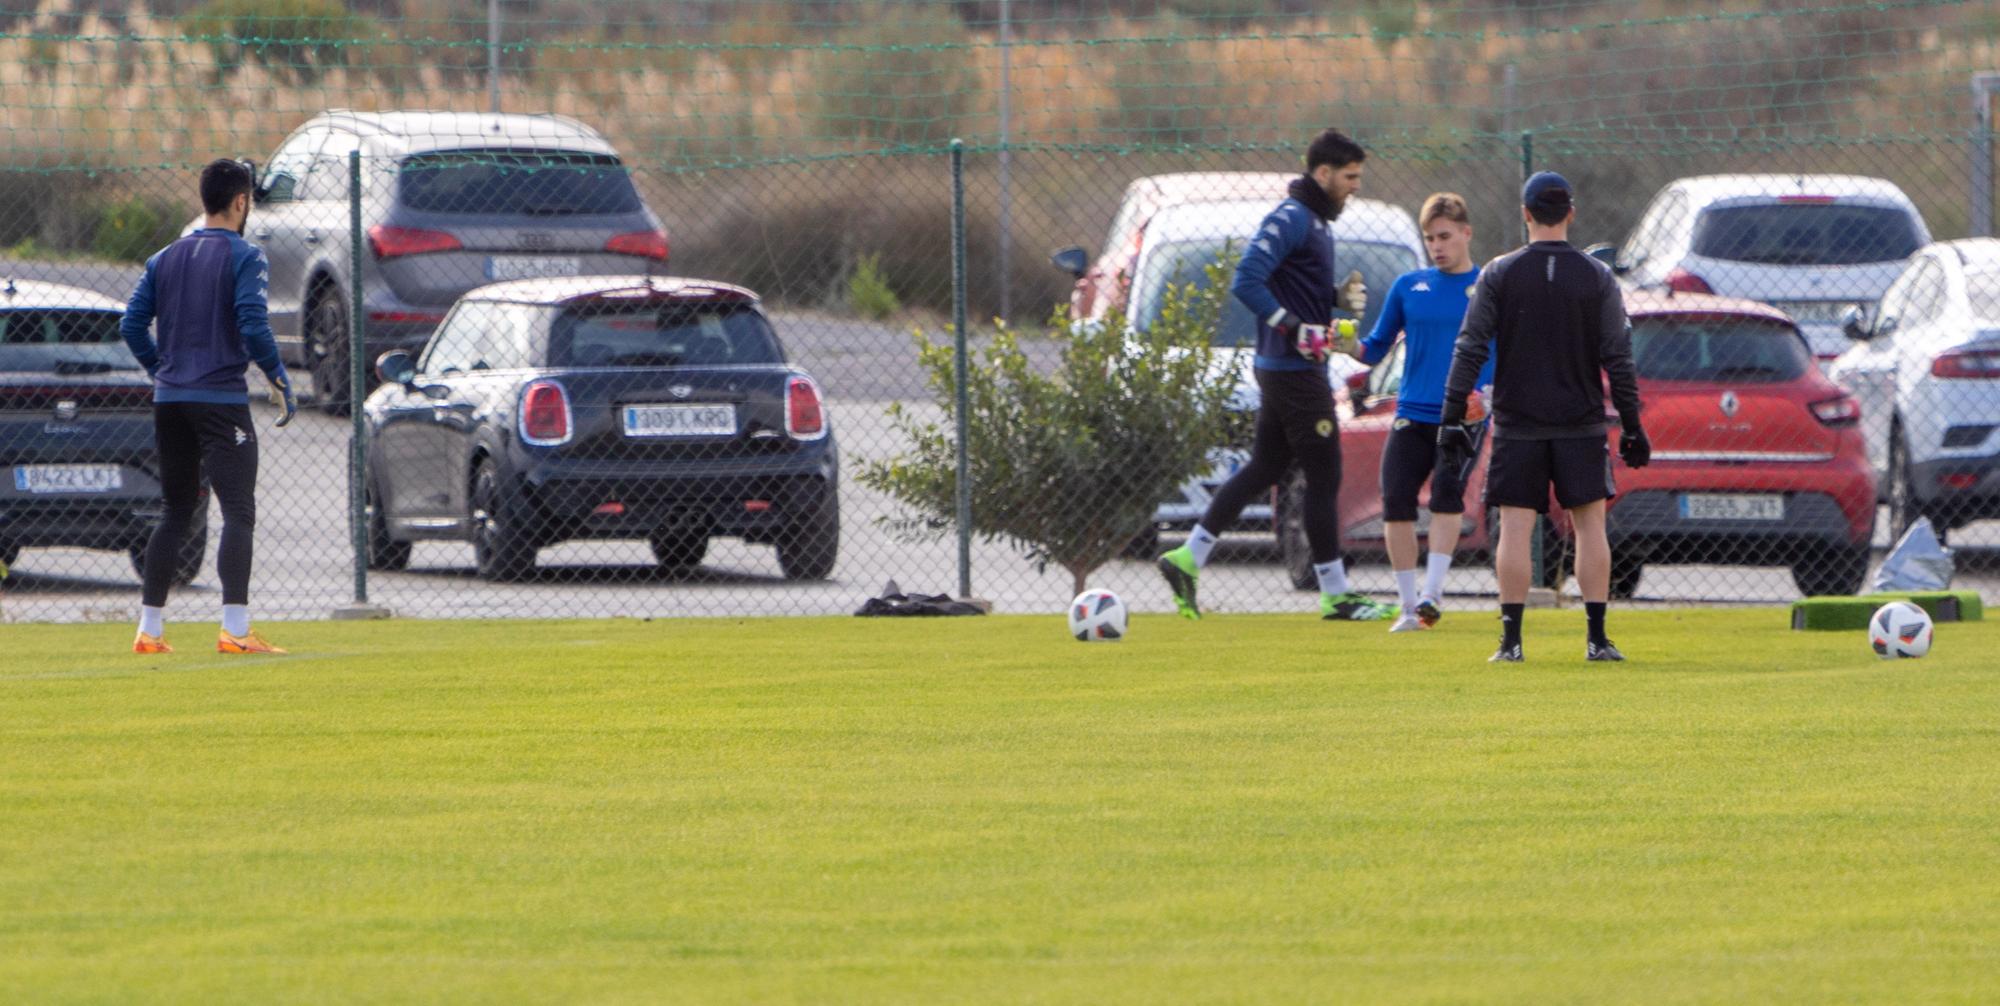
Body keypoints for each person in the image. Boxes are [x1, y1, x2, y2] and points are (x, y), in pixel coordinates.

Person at [1157, 128, 1392, 622]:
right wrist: (1292, 327)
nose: (1355, 186)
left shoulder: (1316, 221)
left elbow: (1292, 283)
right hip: (1293, 373)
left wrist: (1331, 298)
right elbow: (1247, 279)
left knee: (1265, 468)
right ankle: (1336, 594)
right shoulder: (1291, 218)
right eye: (1349, 177)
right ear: (1323, 173)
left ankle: (1187, 557)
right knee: (1325, 474)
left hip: (1288, 368)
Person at [1438, 171, 1648, 663]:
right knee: (1590, 526)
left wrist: (1451, 417)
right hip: (1580, 421)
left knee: (1514, 527)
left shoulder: (1499, 273)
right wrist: (1634, 426)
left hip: (1518, 423)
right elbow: (1618, 356)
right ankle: (1596, 639)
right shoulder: (1596, 277)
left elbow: (1469, 348)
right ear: (1570, 213)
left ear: (1526, 214)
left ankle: (1511, 643)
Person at [121, 158, 298, 655]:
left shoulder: (165, 257)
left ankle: (150, 631)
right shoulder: (245, 256)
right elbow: (251, 321)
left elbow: (131, 326)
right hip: (220, 400)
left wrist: (163, 372)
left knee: (175, 511)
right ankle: (234, 630)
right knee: (238, 510)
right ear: (241, 201)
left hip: (170, 400)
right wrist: (278, 376)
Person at [1350, 193, 1492, 634]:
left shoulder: (1488, 287)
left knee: (1448, 496)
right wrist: (1344, 345)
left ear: (1466, 233)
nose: (1437, 246)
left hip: (1462, 414)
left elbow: (1505, 349)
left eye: (1445, 236)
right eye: (1430, 238)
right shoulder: (1409, 287)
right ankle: (1408, 606)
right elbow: (1372, 349)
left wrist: (1487, 394)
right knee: (1396, 499)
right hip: (1412, 410)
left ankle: (1433, 594)